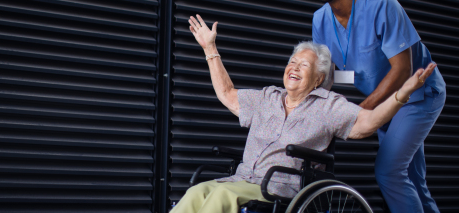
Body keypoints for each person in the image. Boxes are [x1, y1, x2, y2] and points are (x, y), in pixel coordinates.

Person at [171, 14, 436, 213]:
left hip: (277, 187)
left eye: (304, 65)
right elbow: (227, 94)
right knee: (198, 191)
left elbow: (368, 123)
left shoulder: (329, 105)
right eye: (292, 62)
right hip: (242, 179)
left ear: (319, 78)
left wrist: (402, 94)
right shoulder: (267, 97)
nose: (294, 68)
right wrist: (210, 49)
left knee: (221, 197)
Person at [306, 0, 446, 213]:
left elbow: (402, 70)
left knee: (389, 171)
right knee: (413, 180)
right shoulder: (320, 20)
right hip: (382, 101)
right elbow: (329, 75)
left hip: (418, 93)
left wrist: (359, 112)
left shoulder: (382, 5)